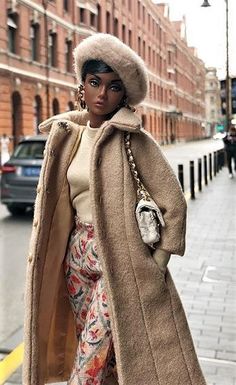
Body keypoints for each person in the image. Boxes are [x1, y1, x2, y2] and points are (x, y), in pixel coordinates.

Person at [23, 34, 206, 385]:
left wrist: (157, 261)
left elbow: (174, 202)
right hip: (75, 258)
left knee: (90, 357)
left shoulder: (133, 139)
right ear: (82, 87)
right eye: (95, 83)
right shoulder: (67, 135)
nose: (102, 94)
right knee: (106, 356)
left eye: (114, 87)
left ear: (125, 95)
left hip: (118, 263)